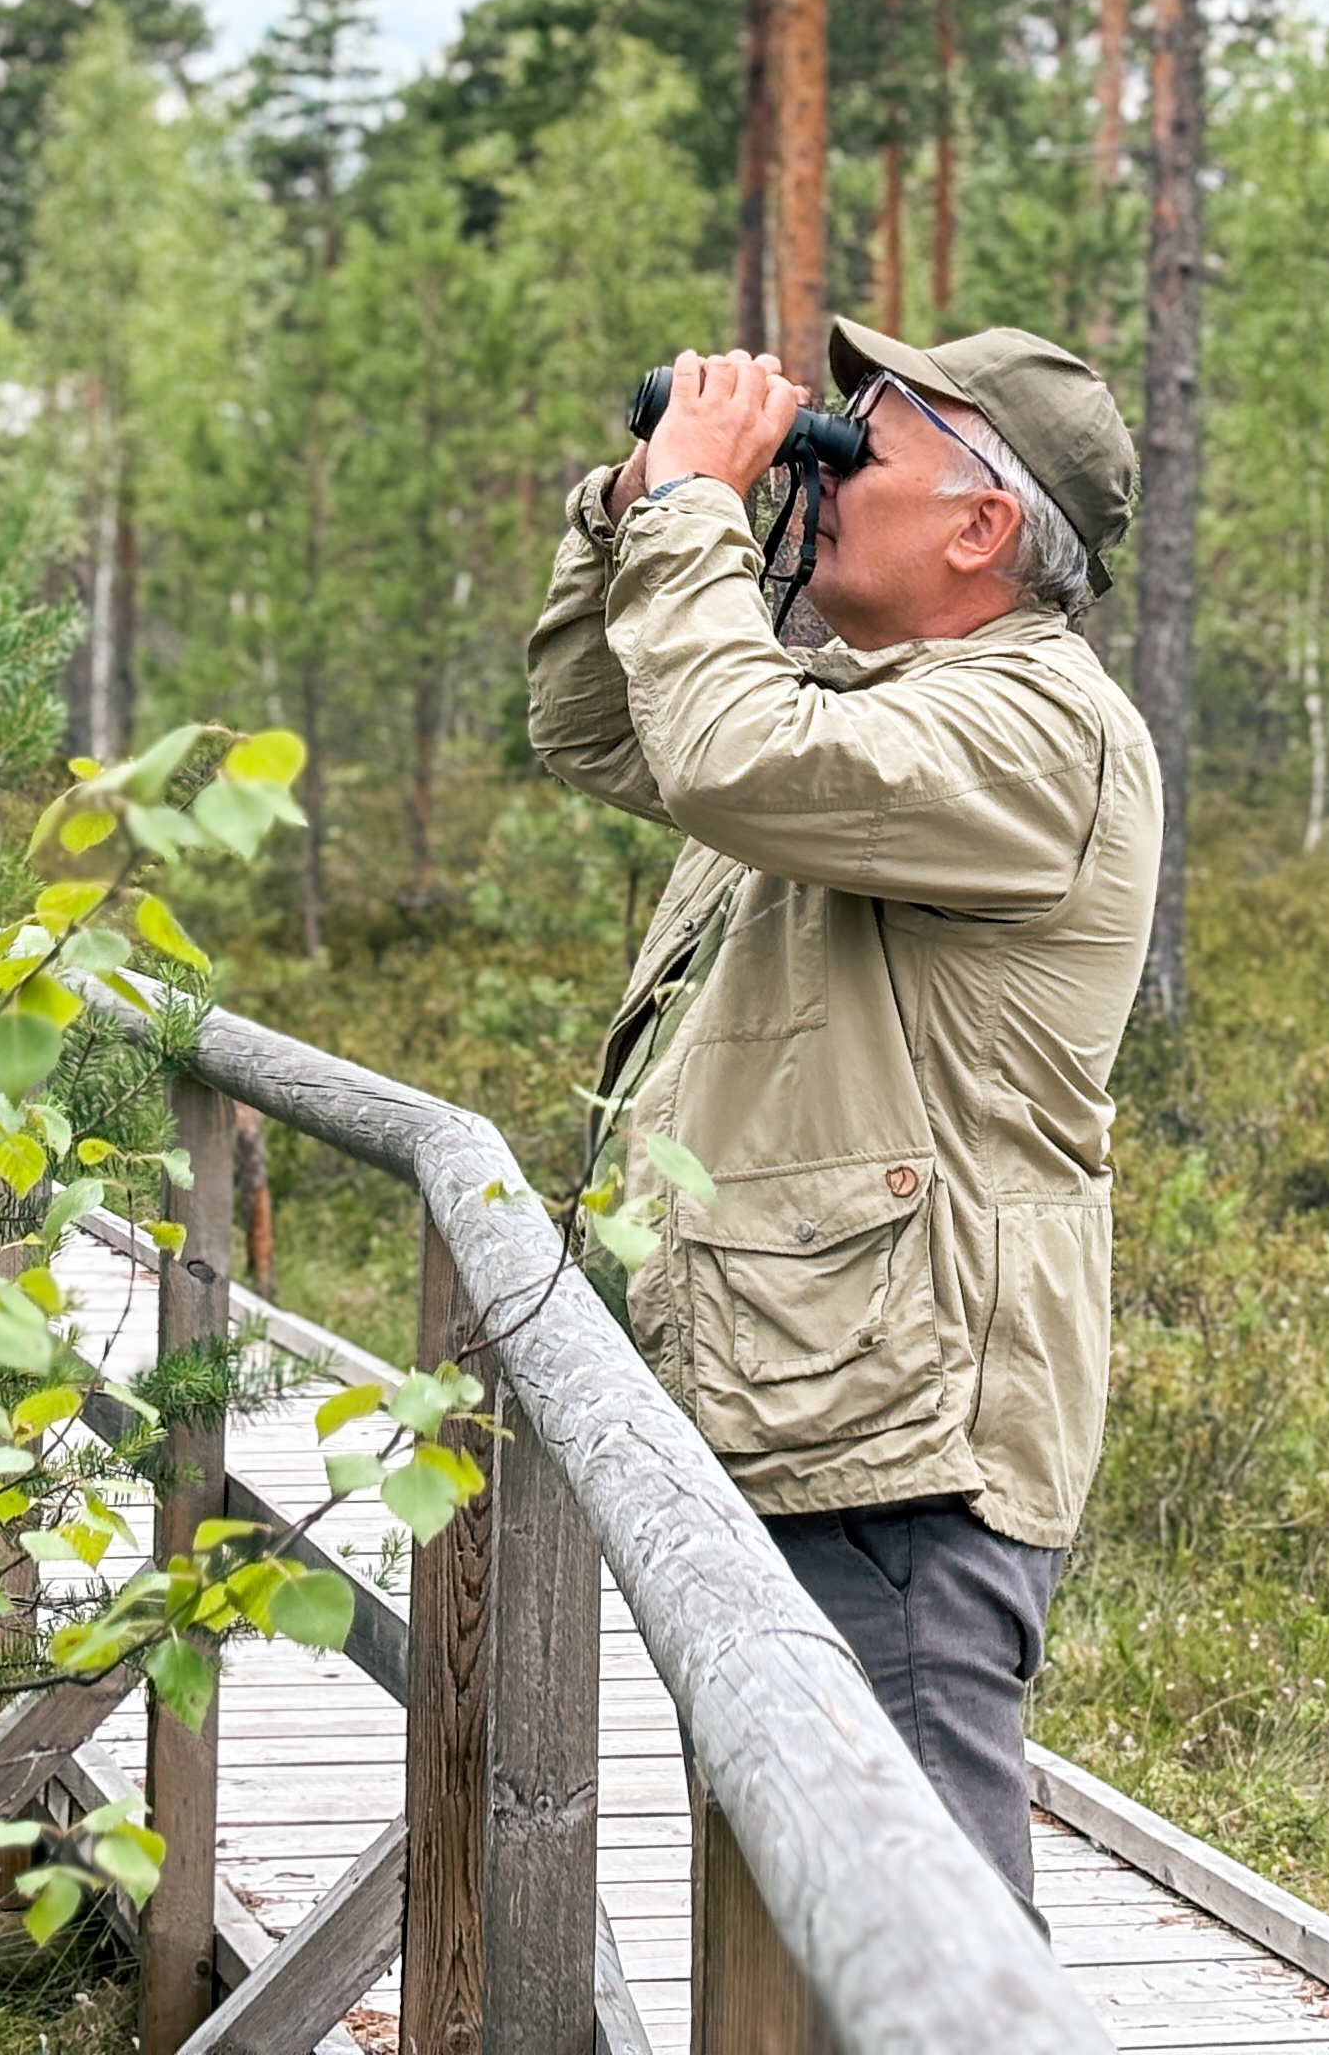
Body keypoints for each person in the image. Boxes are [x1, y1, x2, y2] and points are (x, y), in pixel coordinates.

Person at [524, 322, 1160, 1907]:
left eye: (862, 446)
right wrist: (632, 508)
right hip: (810, 1402)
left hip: (902, 1453)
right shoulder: (876, 704)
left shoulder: (1035, 730)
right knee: (795, 1925)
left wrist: (698, 517)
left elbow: (728, 747)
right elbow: (607, 727)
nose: (821, 461)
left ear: (980, 527)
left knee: (916, 1933)